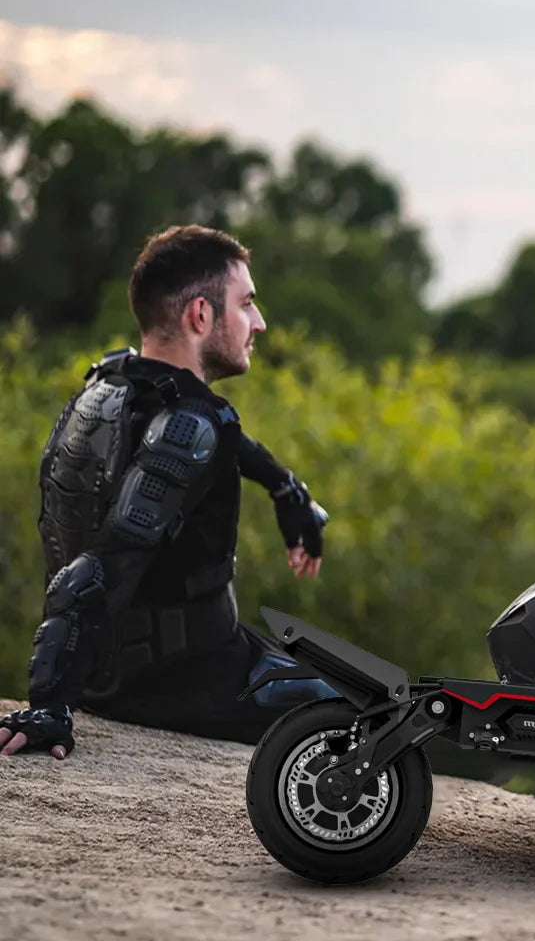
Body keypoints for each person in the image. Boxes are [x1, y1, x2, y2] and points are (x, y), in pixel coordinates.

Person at [0, 225, 336, 759]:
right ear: (200, 315)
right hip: (179, 681)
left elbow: (221, 432)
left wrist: (286, 490)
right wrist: (49, 704)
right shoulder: (189, 423)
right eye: (246, 303)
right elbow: (98, 567)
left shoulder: (112, 385)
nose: (260, 322)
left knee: (321, 670)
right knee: (360, 715)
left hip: (122, 669)